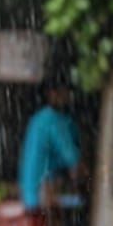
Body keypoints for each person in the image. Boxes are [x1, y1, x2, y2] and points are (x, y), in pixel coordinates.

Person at [18, 77, 82, 210]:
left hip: (27, 193)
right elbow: (72, 159)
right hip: (41, 193)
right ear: (53, 94)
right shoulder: (54, 121)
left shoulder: (39, 119)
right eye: (65, 93)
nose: (67, 97)